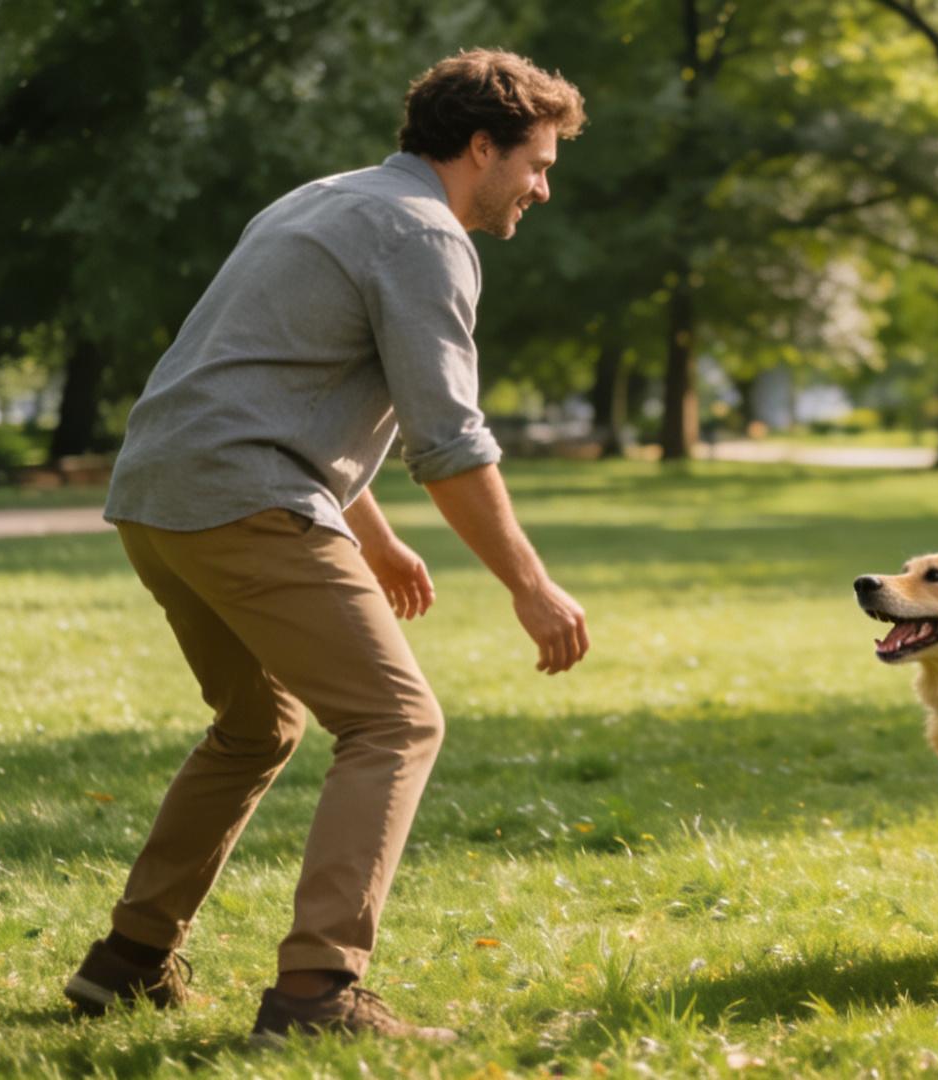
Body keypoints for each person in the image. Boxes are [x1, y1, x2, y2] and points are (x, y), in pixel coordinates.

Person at [62, 48, 590, 1044]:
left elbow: (281, 384)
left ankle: (127, 960)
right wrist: (532, 584)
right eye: (538, 162)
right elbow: (450, 442)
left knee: (259, 725)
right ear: (482, 147)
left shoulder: (324, 199)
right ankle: (316, 994)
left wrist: (373, 533)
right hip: (245, 501)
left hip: (159, 496)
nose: (543, 188)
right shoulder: (423, 234)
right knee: (397, 723)